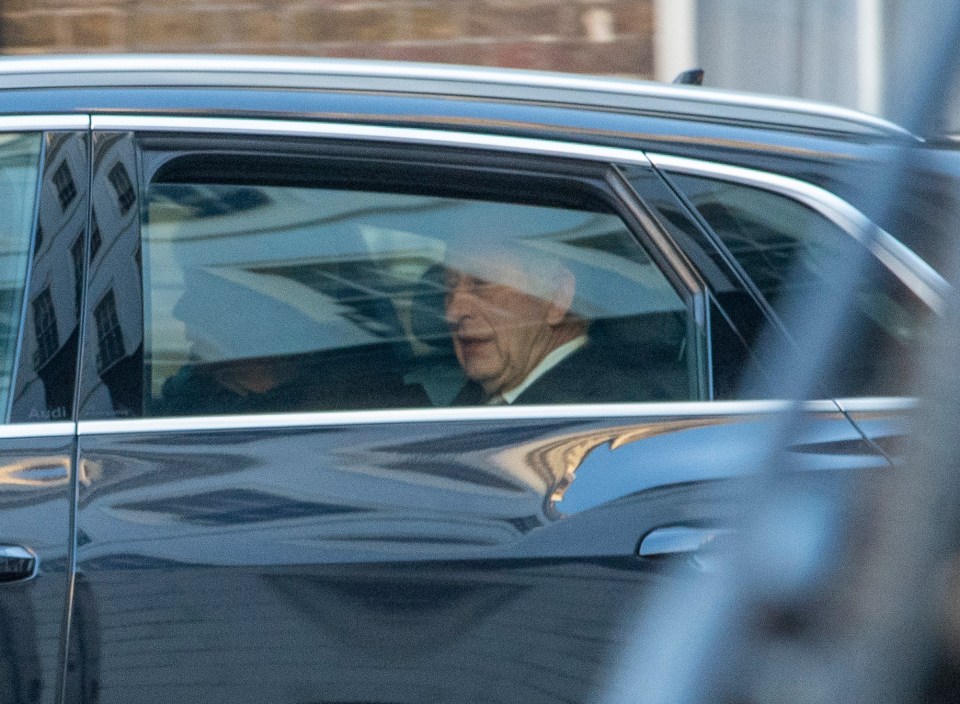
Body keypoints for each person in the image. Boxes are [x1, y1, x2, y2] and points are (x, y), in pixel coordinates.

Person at [443, 245, 679, 406]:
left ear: (557, 296)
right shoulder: (480, 395)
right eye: (449, 288)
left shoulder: (605, 410)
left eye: (481, 284)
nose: (454, 312)